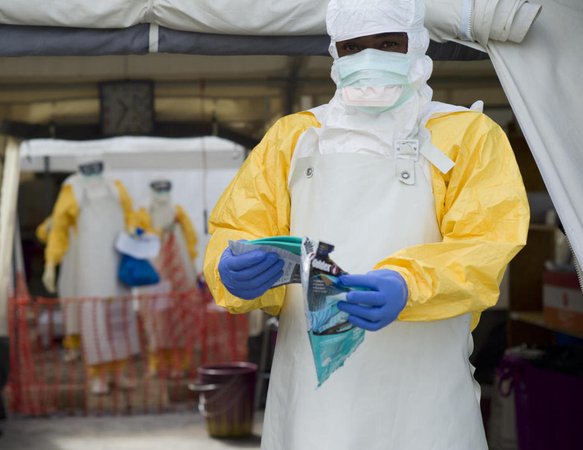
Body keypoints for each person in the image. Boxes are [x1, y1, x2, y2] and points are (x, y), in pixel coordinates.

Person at [202, 0, 530, 448]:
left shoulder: (468, 135)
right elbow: (240, 225)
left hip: (423, 397)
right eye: (353, 47)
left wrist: (409, 283)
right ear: (335, 52)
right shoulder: (293, 138)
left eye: (388, 43)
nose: (369, 58)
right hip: (313, 396)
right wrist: (233, 269)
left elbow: (487, 242)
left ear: (417, 42)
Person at [41, 161, 140, 395]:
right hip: (90, 266)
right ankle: (98, 375)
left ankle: (119, 372)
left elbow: (131, 216)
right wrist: (51, 262)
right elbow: (59, 227)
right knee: (94, 320)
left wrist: (136, 233)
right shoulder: (72, 189)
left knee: (120, 319)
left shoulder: (116, 186)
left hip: (117, 262)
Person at [136, 180, 199, 377]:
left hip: (177, 275)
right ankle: (157, 363)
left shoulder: (177, 212)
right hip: (153, 274)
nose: (162, 194)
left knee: (179, 319)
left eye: (165, 189)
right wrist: (158, 233)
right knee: (155, 320)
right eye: (159, 190)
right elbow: (137, 235)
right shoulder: (143, 212)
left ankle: (179, 363)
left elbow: (191, 239)